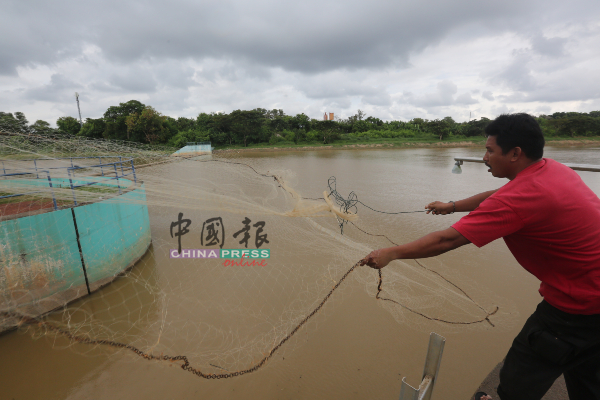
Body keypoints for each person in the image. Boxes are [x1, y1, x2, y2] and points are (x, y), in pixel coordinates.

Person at [360, 113, 600, 400]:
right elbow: (497, 195)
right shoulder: (551, 170)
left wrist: (390, 253)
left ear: (515, 153)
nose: (484, 157)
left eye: (489, 150)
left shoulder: (519, 198)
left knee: (518, 379)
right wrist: (452, 206)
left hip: (578, 308)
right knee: (588, 376)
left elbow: (446, 240)